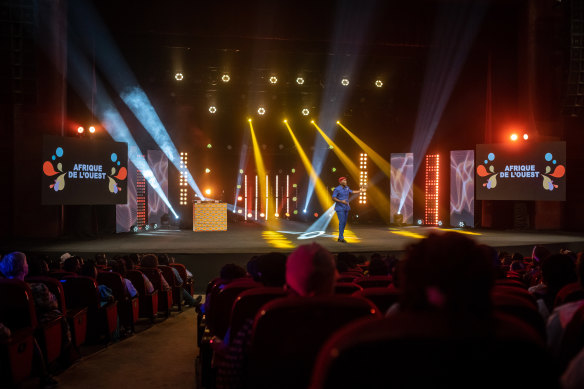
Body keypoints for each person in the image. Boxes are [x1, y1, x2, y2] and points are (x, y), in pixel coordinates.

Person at [332, 176, 363, 242]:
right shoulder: (337, 189)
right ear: (340, 182)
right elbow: (333, 198)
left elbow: (352, 191)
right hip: (340, 208)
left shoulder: (347, 188)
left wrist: (360, 191)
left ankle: (340, 237)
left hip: (346, 207)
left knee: (344, 223)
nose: (346, 182)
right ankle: (341, 238)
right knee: (342, 222)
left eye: (346, 180)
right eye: (344, 180)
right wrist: (341, 201)